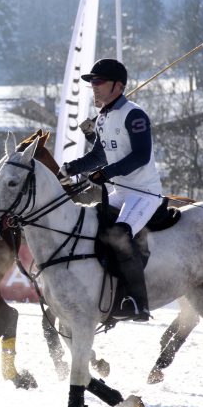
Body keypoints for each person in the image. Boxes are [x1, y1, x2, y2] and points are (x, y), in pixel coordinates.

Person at [57, 58, 161, 322]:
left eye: (98, 81)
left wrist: (107, 173)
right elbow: (100, 155)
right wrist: (69, 168)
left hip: (143, 193)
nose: (94, 87)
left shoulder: (134, 114)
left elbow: (140, 156)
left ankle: (138, 303)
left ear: (118, 85)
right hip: (122, 192)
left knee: (120, 235)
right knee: (90, 223)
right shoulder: (103, 117)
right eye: (91, 82)